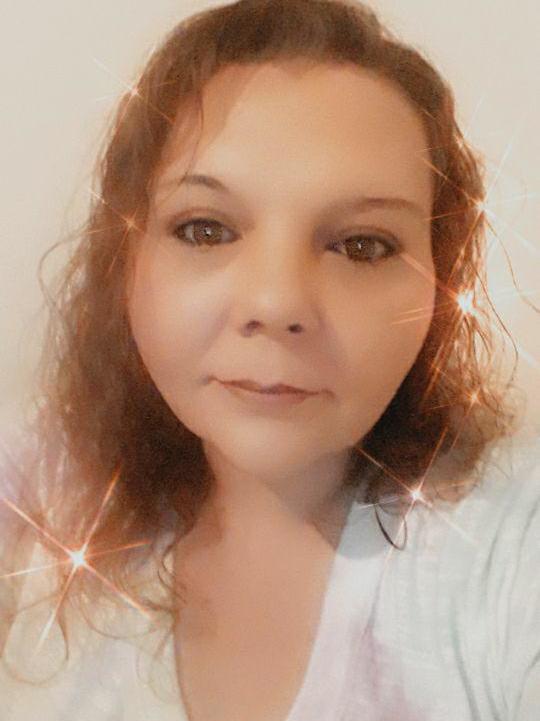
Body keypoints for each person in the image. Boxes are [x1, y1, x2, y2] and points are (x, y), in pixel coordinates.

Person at [0, 0, 538, 719]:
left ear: (440, 288)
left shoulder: (506, 547)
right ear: (124, 262)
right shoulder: (49, 492)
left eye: (362, 245)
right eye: (206, 229)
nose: (278, 300)